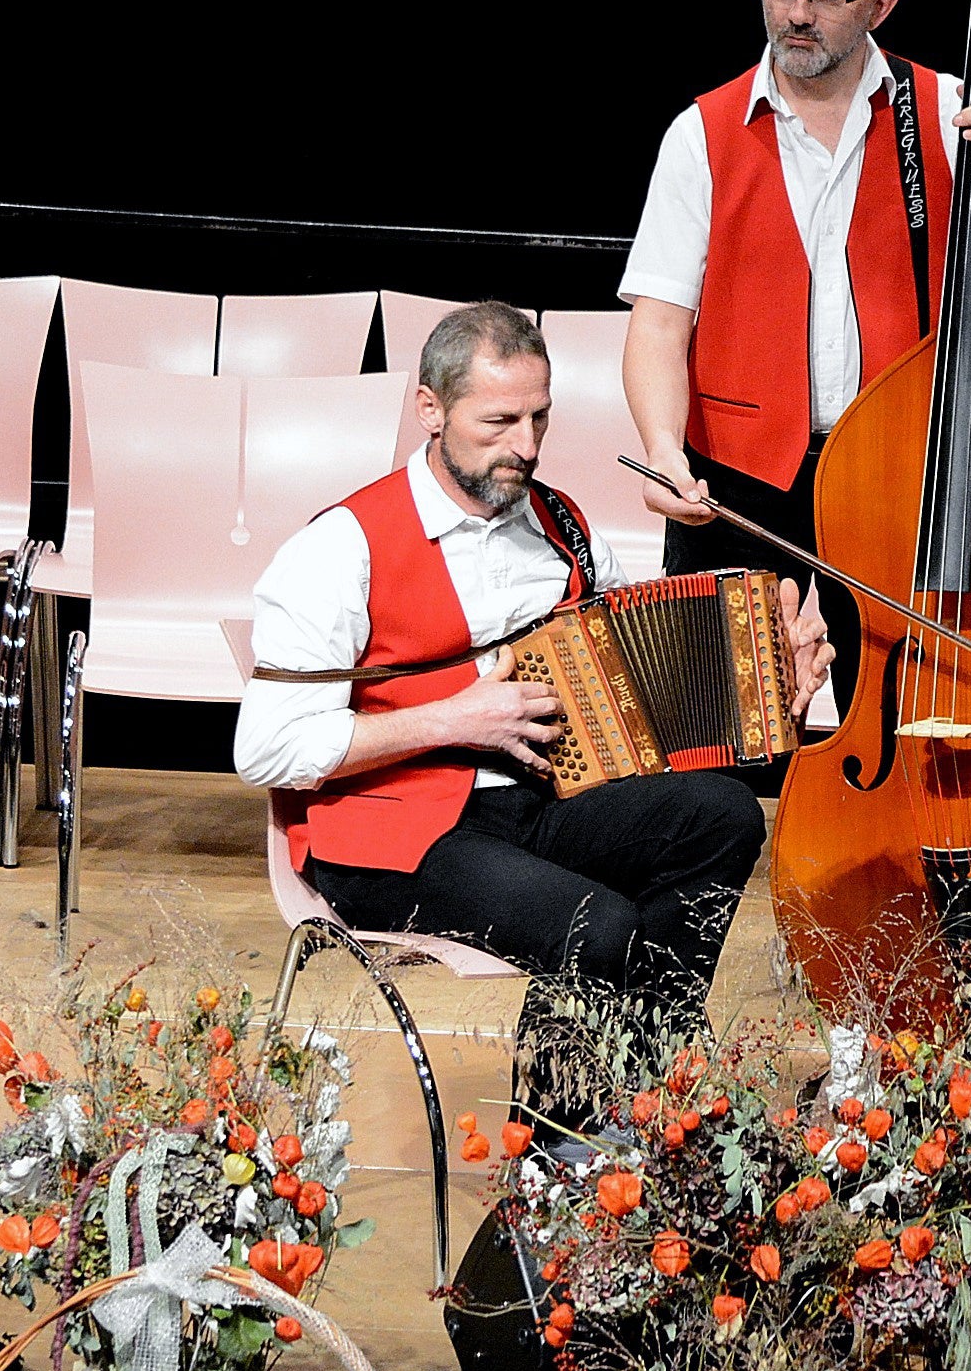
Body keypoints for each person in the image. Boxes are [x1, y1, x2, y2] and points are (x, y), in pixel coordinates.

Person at [235, 302, 832, 1120]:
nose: (526, 445)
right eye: (499, 421)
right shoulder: (340, 547)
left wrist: (772, 686)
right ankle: (561, 1156)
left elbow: (658, 689)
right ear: (430, 410)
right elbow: (264, 749)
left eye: (539, 417)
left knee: (720, 817)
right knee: (598, 929)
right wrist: (454, 719)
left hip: (537, 801)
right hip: (388, 834)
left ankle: (635, 1107)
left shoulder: (564, 530)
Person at [618, 0, 971, 711]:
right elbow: (660, 324)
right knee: (720, 732)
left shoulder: (947, 110)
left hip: (898, 472)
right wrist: (664, 449)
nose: (797, 14)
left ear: (881, 5)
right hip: (739, 481)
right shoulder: (700, 131)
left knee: (905, 720)